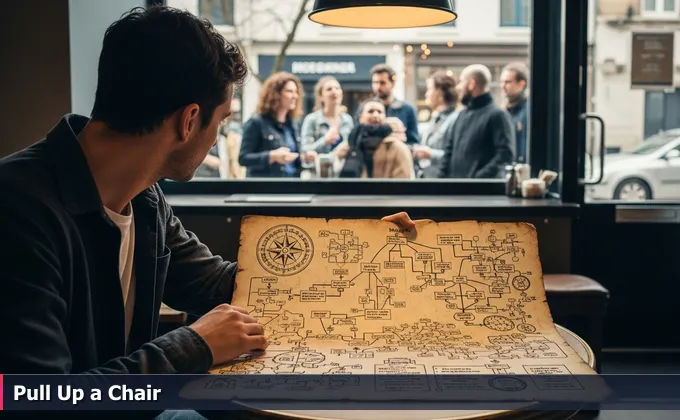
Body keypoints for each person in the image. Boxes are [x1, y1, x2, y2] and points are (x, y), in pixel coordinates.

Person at [0, 1, 416, 399]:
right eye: (222, 121)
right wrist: (194, 344)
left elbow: (220, 283)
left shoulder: (144, 198)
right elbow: (37, 398)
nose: (218, 136)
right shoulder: (18, 208)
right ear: (189, 121)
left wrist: (362, 254)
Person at [438, 64, 515, 179]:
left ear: (471, 84)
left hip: (481, 192)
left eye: (461, 82)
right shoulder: (461, 115)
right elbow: (448, 152)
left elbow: (505, 155)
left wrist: (478, 178)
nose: (458, 87)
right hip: (456, 190)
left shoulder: (498, 115)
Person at [238, 71, 316, 177]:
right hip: (266, 188)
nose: (295, 96)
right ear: (275, 94)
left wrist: (304, 157)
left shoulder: (293, 124)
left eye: (296, 92)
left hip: (291, 187)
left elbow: (293, 159)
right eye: (289, 91)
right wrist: (272, 156)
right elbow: (243, 158)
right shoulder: (256, 122)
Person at [339, 99, 415, 179]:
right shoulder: (348, 147)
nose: (375, 115)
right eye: (370, 111)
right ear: (361, 117)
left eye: (380, 112)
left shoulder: (398, 149)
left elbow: (403, 184)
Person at [355, 64, 420, 145]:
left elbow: (414, 142)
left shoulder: (407, 109)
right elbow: (356, 136)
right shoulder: (364, 108)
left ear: (392, 83)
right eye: (375, 82)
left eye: (382, 83)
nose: (378, 87)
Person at [413, 71, 460, 178]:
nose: (427, 94)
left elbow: (457, 157)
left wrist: (430, 154)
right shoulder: (435, 119)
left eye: (429, 89)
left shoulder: (455, 119)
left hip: (444, 183)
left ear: (439, 92)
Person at [300, 76, 355, 156]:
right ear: (321, 96)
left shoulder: (347, 119)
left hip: (344, 167)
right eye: (329, 89)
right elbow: (305, 151)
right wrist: (325, 140)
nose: (334, 92)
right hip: (318, 167)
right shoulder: (311, 119)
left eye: (337, 88)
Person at [500, 61, 530, 163]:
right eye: (501, 82)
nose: (502, 86)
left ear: (521, 84)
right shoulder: (503, 111)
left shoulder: (528, 112)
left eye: (507, 82)